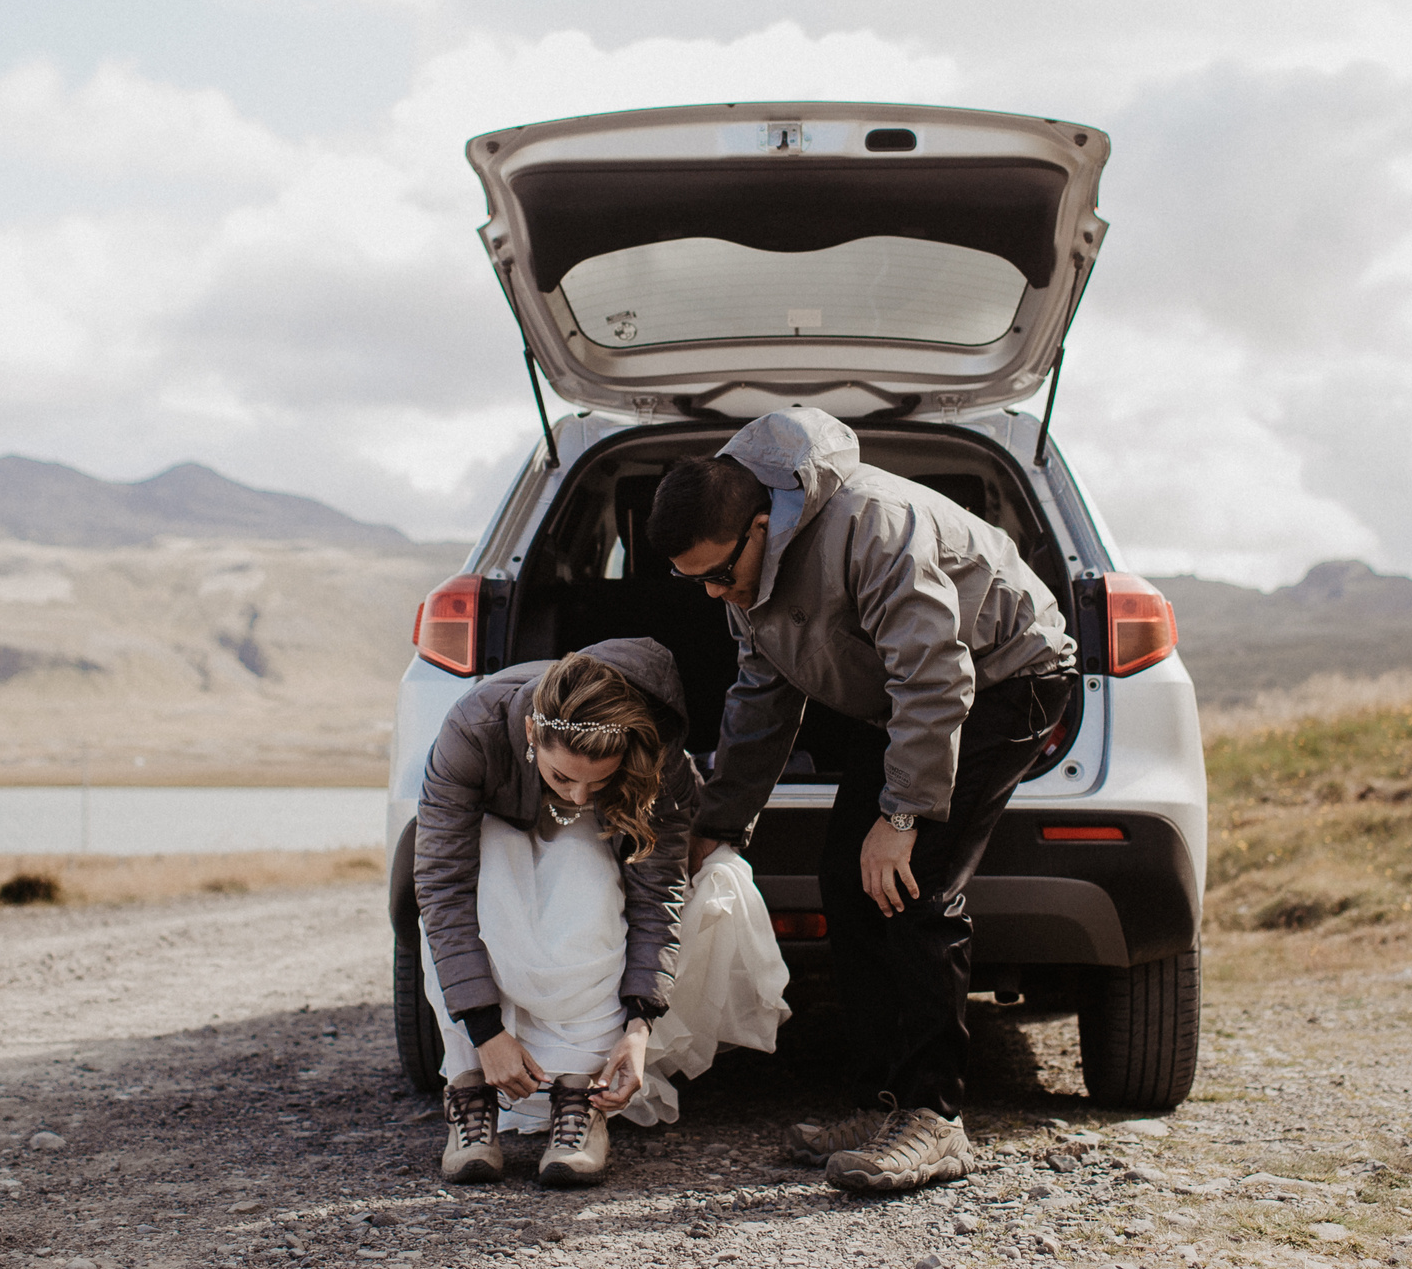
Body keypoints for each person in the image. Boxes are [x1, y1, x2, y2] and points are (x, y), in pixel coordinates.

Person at [648, 409, 1077, 1194]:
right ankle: (879, 1102)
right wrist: (719, 825)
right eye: (696, 581)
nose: (714, 592)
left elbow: (939, 676)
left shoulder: (874, 524)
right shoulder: (745, 573)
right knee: (848, 878)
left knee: (914, 885)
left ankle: (934, 1118)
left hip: (1006, 677)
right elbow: (760, 698)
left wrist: (904, 817)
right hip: (911, 700)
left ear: (759, 524)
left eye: (718, 572)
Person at [414, 638, 787, 1187]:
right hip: (496, 843)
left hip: (594, 862)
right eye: (563, 778)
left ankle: (579, 1097)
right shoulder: (473, 731)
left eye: (600, 781)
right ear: (530, 736)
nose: (580, 797)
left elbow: (657, 895)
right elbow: (441, 887)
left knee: (587, 873)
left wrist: (640, 1026)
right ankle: (469, 1089)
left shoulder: (656, 759)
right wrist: (485, 1031)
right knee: (481, 870)